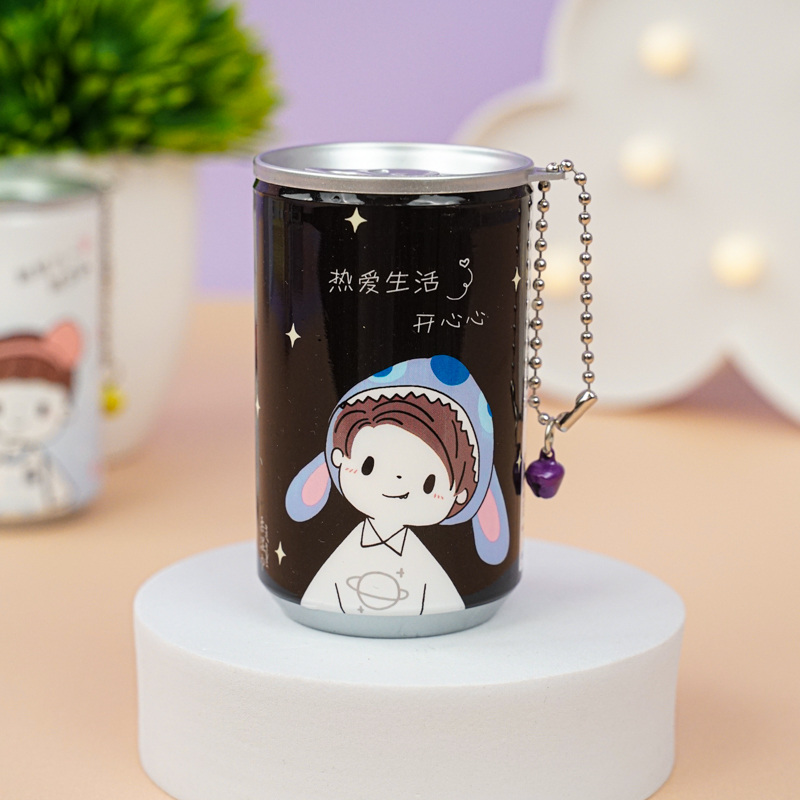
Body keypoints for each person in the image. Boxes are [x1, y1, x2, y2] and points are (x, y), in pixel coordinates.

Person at [285, 355, 510, 616]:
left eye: (428, 484)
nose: (397, 482)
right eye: (368, 465)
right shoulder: (348, 553)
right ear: (338, 456)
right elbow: (320, 590)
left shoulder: (424, 567)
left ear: (460, 495)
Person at [0, 321, 81, 520]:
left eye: (41, 410)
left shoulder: (39, 463)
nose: (18, 421)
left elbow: (63, 495)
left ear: (66, 409)